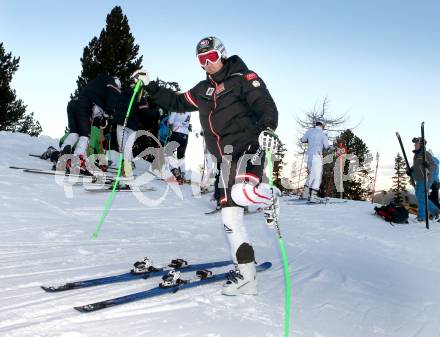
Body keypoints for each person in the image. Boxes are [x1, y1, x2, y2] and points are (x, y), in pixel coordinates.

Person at [142, 36, 280, 296]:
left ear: (222, 55)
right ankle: (247, 277)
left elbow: (264, 104)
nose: (208, 64)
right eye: (202, 60)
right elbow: (176, 102)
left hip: (247, 148)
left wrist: (267, 127)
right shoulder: (202, 91)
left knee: (241, 193)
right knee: (230, 218)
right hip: (224, 160)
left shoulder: (243, 77)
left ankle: (271, 195)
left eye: (212, 57)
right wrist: (150, 87)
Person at [53, 74, 122, 174]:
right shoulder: (112, 84)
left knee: (74, 133)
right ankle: (77, 162)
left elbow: (97, 118)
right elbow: (112, 95)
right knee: (85, 136)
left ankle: (62, 158)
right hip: (85, 106)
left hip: (73, 104)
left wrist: (102, 118)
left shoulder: (98, 86)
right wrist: (108, 114)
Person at [407, 137, 440, 221]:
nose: (414, 145)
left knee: (421, 197)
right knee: (420, 197)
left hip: (426, 178)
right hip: (419, 179)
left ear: (421, 144)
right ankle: (436, 212)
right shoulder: (416, 155)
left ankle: (422, 217)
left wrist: (428, 165)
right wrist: (410, 171)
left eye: (416, 143)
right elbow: (416, 167)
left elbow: (434, 166)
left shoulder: (426, 154)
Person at [300, 118, 331, 202]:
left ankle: (305, 194)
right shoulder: (322, 134)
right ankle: (313, 196)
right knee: (317, 175)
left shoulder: (310, 131)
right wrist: (333, 147)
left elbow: (302, 140)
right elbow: (327, 147)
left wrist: (310, 140)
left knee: (311, 174)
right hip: (317, 156)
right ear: (323, 125)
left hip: (308, 156)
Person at [167, 111, 191, 183]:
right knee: (181, 155)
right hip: (185, 134)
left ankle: (176, 171)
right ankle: (182, 174)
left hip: (177, 132)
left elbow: (170, 121)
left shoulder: (176, 108)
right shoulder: (189, 110)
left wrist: (169, 123)